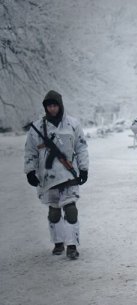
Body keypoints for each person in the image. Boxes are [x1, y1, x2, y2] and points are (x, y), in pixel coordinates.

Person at [24, 90, 89, 259]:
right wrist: (30, 171)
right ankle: (58, 242)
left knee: (71, 210)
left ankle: (72, 246)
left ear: (60, 106)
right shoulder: (37, 127)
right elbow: (30, 151)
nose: (52, 109)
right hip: (47, 176)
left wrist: (84, 168)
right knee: (54, 213)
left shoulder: (72, 124)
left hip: (68, 174)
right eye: (49, 106)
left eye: (55, 105)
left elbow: (81, 147)